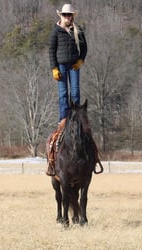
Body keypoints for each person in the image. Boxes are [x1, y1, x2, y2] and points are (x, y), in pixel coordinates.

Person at [46, 3, 88, 176]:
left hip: (74, 65)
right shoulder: (56, 31)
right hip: (61, 66)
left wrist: (81, 60)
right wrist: (53, 68)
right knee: (63, 94)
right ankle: (64, 119)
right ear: (61, 16)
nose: (68, 18)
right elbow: (51, 50)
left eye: (70, 15)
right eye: (65, 15)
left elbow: (84, 47)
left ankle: (75, 117)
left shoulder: (78, 30)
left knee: (75, 93)